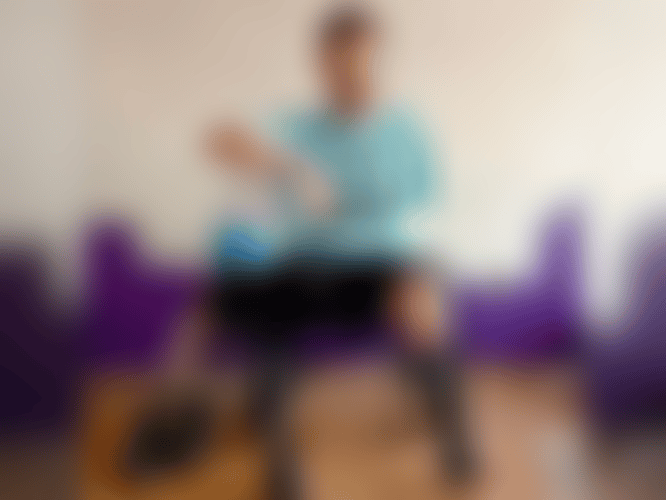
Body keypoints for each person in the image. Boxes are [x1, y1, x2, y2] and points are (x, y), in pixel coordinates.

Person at [200, 5, 476, 498]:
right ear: (320, 65)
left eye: (359, 64)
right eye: (337, 65)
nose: (349, 77)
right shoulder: (294, 125)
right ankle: (279, 458)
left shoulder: (408, 129)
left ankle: (454, 434)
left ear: (377, 60)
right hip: (306, 266)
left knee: (421, 294)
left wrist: (409, 255)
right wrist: (290, 166)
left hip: (384, 266)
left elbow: (426, 215)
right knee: (255, 295)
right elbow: (219, 140)